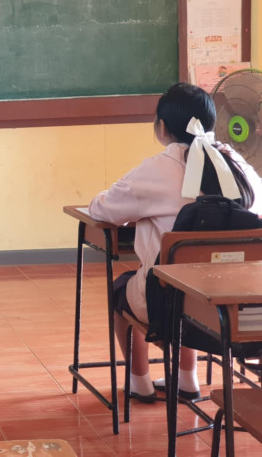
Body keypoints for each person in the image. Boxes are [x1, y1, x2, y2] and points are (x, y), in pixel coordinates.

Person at [89, 82, 262, 402]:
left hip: (172, 309)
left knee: (128, 288)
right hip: (239, 312)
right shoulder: (238, 165)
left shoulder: (157, 169)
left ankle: (138, 382)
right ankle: (186, 379)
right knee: (192, 277)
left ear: (162, 127)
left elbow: (103, 210)